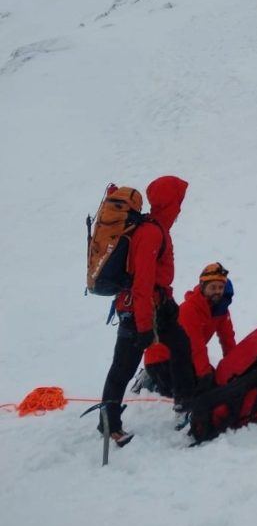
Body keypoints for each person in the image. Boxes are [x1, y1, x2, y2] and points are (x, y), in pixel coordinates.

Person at [98, 175, 194, 446]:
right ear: (170, 202)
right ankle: (109, 424)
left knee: (181, 348)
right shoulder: (151, 233)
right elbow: (142, 283)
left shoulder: (158, 228)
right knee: (123, 367)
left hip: (157, 307)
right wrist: (142, 327)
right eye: (179, 201)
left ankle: (185, 404)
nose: (181, 207)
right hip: (141, 310)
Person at [136, 262, 236, 396]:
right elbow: (195, 346)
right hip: (161, 359)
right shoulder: (190, 309)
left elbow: (228, 340)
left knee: (217, 385)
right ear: (202, 287)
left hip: (186, 358)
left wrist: (235, 368)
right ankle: (149, 380)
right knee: (196, 393)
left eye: (221, 287)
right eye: (213, 287)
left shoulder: (221, 310)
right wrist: (204, 376)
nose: (217, 291)